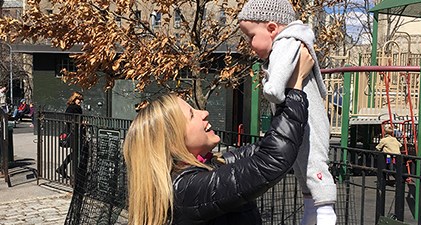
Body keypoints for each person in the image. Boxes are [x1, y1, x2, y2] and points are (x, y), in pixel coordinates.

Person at [123, 47, 313, 225]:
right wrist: (295, 86)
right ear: (172, 142)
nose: (203, 113)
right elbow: (270, 161)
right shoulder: (186, 189)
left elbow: (267, 149)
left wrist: (282, 89)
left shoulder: (209, 165)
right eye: (191, 115)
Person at [237, 0, 337, 224]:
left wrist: (268, 83)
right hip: (304, 119)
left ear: (272, 28)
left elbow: (274, 90)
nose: (249, 44)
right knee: (303, 168)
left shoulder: (286, 42)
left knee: (314, 164)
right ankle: (312, 213)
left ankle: (324, 215)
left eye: (251, 36)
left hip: (308, 120)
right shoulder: (290, 42)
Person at [56, 91, 84, 178]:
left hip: (72, 132)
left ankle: (62, 167)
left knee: (75, 152)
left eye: (81, 99)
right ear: (74, 99)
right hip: (74, 133)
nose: (80, 101)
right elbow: (73, 120)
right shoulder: (75, 108)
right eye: (78, 99)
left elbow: (68, 119)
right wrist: (80, 123)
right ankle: (75, 175)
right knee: (77, 152)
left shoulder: (70, 107)